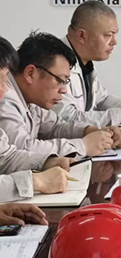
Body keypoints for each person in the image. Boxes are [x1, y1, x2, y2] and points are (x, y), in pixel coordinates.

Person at [0, 32, 121, 157]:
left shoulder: (31, 97)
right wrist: (83, 146)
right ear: (30, 73)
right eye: (60, 80)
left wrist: (91, 131)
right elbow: (20, 150)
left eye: (66, 82)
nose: (64, 90)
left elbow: (56, 127)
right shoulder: (5, 98)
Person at [0, 36, 73, 202]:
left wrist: (45, 162)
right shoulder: (8, 101)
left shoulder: (31, 99)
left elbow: (6, 156)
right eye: (2, 80)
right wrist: (35, 182)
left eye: (5, 79)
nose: (5, 89)